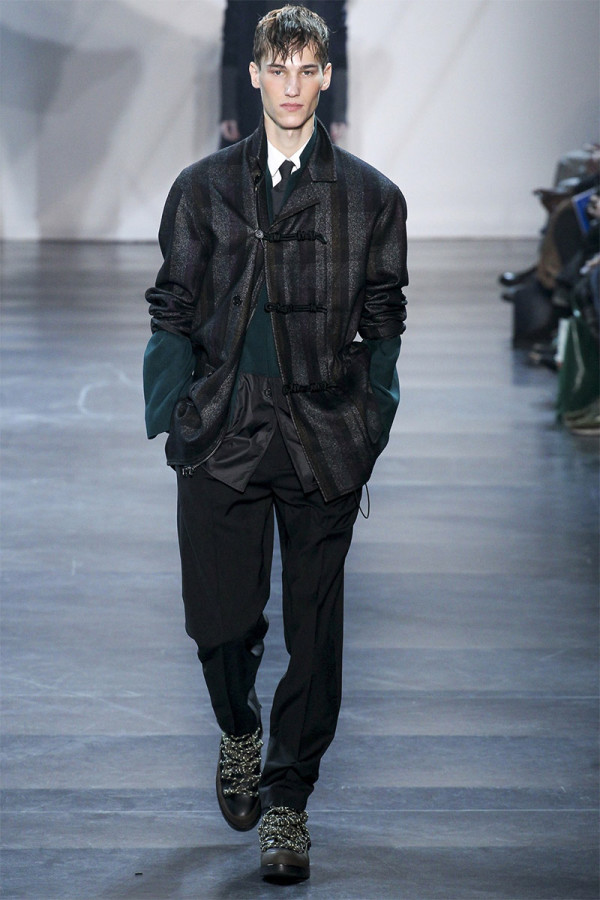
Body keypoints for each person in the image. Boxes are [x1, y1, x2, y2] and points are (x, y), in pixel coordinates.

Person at [143, 5, 407, 884]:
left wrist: (372, 418)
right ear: (254, 74)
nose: (292, 87)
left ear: (326, 77)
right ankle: (238, 728)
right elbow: (172, 305)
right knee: (218, 622)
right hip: (222, 422)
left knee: (316, 629)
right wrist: (173, 412)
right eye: (277, 69)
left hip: (323, 428)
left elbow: (384, 318)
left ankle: (289, 799)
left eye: (307, 70)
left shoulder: (371, 196)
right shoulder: (202, 187)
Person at [219, 0, 347, 147]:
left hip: (316, 104)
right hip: (251, 103)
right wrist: (229, 110)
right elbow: (231, 52)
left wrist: (339, 112)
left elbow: (338, 54)